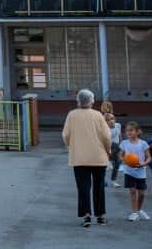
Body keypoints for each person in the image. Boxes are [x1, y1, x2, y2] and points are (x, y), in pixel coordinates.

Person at [62, 88, 111, 227]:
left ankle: (86, 216)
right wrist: (108, 150)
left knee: (83, 187)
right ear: (92, 100)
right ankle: (100, 216)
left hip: (79, 157)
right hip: (98, 156)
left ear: (78, 100)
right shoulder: (98, 115)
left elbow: (65, 135)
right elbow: (106, 136)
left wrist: (71, 146)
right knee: (99, 186)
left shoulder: (72, 115)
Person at [118, 121, 152, 221]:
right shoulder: (124, 143)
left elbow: (149, 157)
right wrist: (124, 160)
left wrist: (143, 163)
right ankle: (134, 212)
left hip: (140, 171)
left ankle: (139, 210)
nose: (129, 132)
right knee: (132, 191)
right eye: (127, 130)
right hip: (129, 171)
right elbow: (120, 155)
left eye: (131, 130)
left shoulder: (143, 143)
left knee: (141, 194)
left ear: (137, 132)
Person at [106, 113, 123, 186]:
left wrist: (122, 146)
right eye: (108, 120)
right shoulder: (105, 128)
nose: (111, 121)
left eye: (112, 119)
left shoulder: (118, 125)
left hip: (117, 148)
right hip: (108, 147)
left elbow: (120, 136)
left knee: (118, 163)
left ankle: (114, 180)